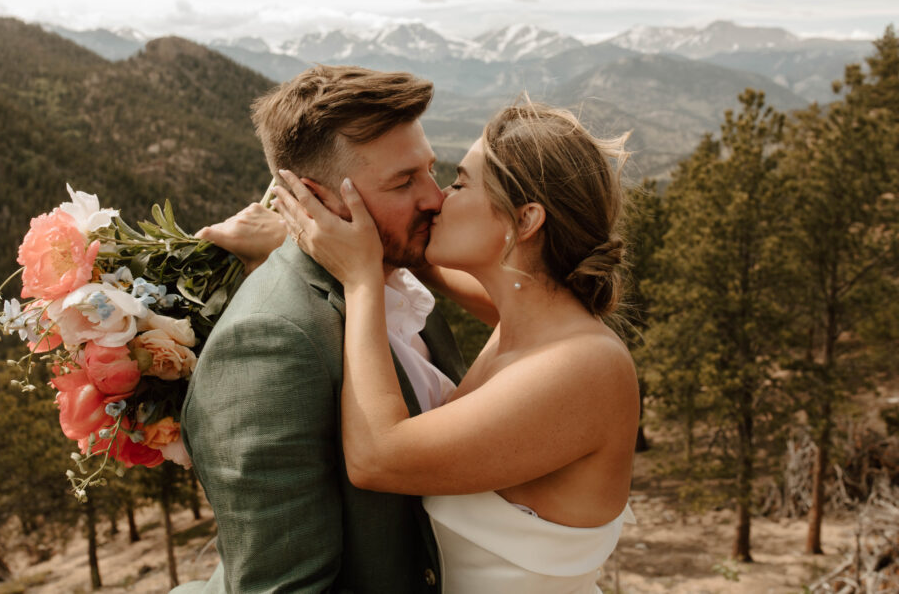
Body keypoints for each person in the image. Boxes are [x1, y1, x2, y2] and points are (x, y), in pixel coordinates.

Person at [274, 102, 639, 593]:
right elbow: (493, 293)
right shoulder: (528, 326)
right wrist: (370, 242)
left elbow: (377, 458)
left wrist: (361, 280)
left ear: (525, 219)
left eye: (461, 183)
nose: (437, 199)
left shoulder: (587, 367)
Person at [175, 65, 467, 593]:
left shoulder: (400, 283)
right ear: (316, 198)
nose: (435, 198)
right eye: (403, 182)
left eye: (430, 169)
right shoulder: (266, 344)